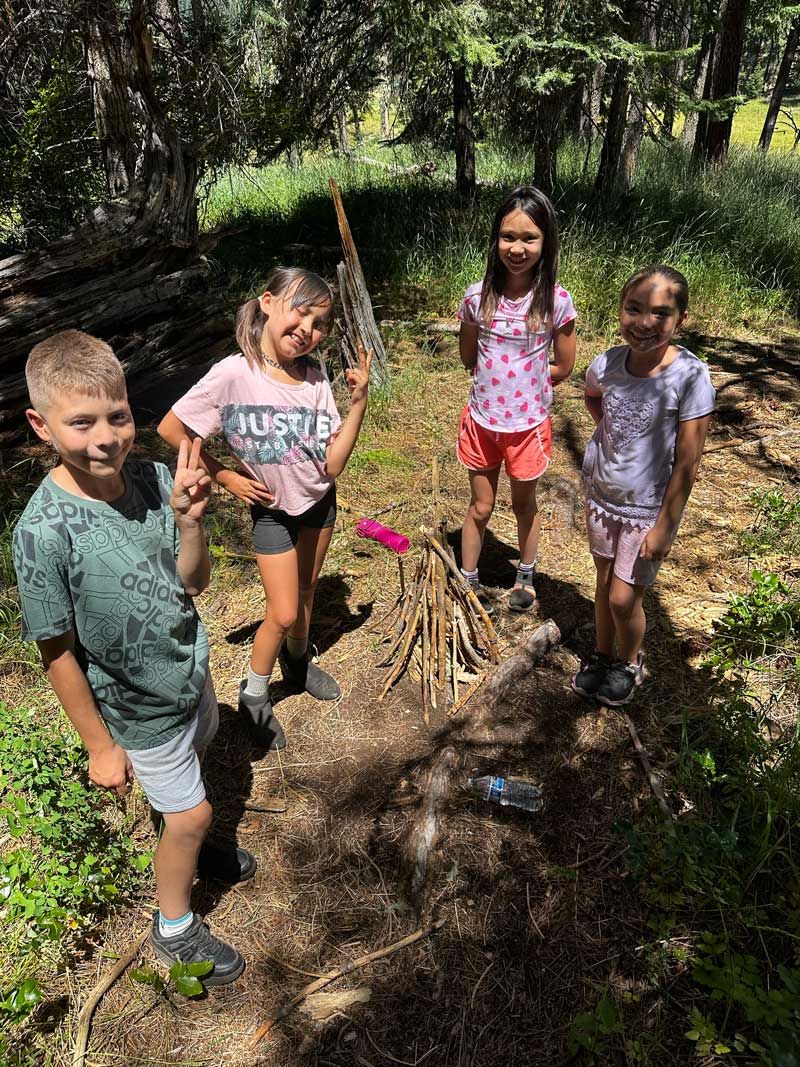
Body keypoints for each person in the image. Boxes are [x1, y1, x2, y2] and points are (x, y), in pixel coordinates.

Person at [13, 331, 249, 984]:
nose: (106, 436)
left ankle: (186, 842)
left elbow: (194, 583)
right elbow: (56, 649)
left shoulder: (154, 478)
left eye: (117, 414)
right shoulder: (42, 532)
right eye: (80, 421)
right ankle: (173, 924)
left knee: (196, 761)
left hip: (187, 676)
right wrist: (98, 745)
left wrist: (192, 521)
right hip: (135, 706)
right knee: (194, 812)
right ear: (42, 425)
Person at [158, 267, 371, 748]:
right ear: (268, 303)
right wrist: (226, 474)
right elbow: (173, 428)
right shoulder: (235, 374)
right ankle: (253, 695)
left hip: (319, 501)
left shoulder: (315, 378)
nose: (308, 331)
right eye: (301, 313)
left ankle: (297, 664)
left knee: (309, 588)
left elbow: (332, 465)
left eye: (320, 324)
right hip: (273, 511)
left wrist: (358, 402)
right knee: (282, 609)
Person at [571, 265, 716, 707]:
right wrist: (609, 431)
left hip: (647, 510)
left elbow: (688, 461)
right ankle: (601, 655)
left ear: (681, 318)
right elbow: (592, 393)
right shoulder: (610, 363)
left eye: (660, 313)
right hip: (605, 498)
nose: (645, 323)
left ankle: (628, 661)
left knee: (622, 598)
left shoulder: (690, 376)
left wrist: (666, 526)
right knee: (602, 583)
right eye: (634, 309)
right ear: (620, 311)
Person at [457, 186, 577, 614]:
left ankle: (525, 573)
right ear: (495, 240)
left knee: (523, 503)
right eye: (508, 236)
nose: (517, 247)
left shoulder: (556, 301)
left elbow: (563, 364)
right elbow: (469, 355)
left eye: (530, 238)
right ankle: (468, 578)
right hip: (482, 422)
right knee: (481, 505)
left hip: (527, 427)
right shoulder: (477, 297)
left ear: (546, 243)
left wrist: (530, 390)